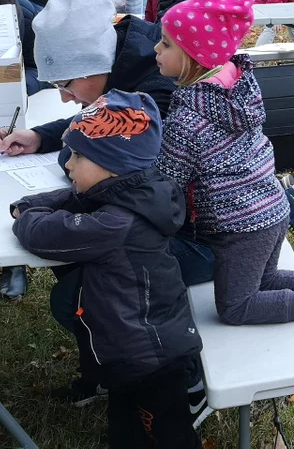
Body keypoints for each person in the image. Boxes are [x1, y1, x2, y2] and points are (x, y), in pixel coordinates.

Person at [154, 0, 294, 337]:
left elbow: (166, 182)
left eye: (166, 44)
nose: (156, 49)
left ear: (193, 55)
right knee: (266, 278)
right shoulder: (237, 92)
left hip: (238, 226)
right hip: (270, 209)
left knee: (235, 306)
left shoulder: (188, 118)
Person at [11, 90, 203, 448]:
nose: (69, 164)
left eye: (79, 156)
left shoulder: (116, 222)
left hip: (147, 359)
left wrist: (27, 215)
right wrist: (30, 202)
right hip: (135, 350)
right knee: (126, 432)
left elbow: (49, 235)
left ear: (111, 164)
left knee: (165, 436)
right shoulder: (134, 189)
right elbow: (75, 197)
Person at [0, 0, 177, 306]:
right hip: (153, 210)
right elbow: (100, 125)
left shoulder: (158, 86)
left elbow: (105, 155)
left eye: (65, 85)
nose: (65, 98)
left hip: (186, 232)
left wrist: (70, 149)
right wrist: (40, 137)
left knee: (73, 292)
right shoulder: (117, 59)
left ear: (92, 64)